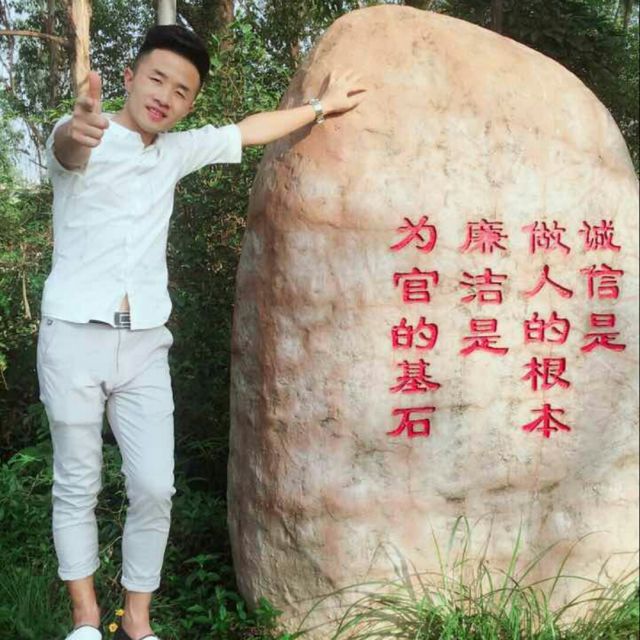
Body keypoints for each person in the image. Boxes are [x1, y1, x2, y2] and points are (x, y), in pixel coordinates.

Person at [38, 24, 365, 640]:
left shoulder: (175, 152)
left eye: (181, 90)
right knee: (77, 481)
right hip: (74, 335)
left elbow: (248, 130)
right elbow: (67, 150)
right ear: (130, 77)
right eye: (156, 79)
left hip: (145, 343)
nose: (165, 96)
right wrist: (75, 131)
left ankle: (136, 622)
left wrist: (321, 107)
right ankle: (85, 620)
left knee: (155, 487)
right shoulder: (85, 133)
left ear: (189, 103)